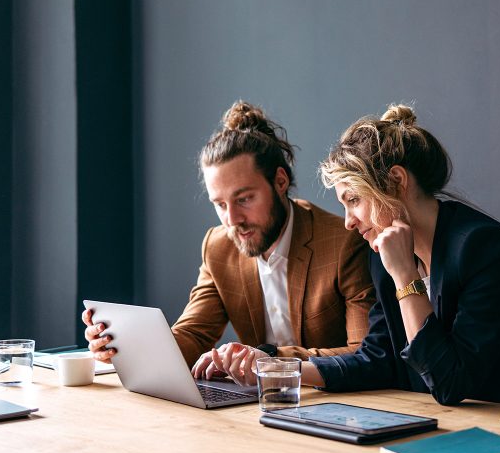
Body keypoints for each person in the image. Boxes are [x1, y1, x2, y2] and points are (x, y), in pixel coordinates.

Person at [209, 103, 500, 410]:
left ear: (396, 181)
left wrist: (405, 277)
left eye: (354, 200)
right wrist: (277, 369)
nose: (348, 222)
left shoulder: (487, 250)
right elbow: (379, 360)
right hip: (472, 435)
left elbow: (451, 382)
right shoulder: (384, 256)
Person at [83, 101, 375, 381]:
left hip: (333, 405)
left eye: (244, 199)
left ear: (280, 181)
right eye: (220, 204)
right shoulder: (218, 246)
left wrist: (268, 358)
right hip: (256, 408)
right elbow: (193, 334)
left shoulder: (343, 242)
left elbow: (362, 352)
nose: (232, 219)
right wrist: (125, 344)